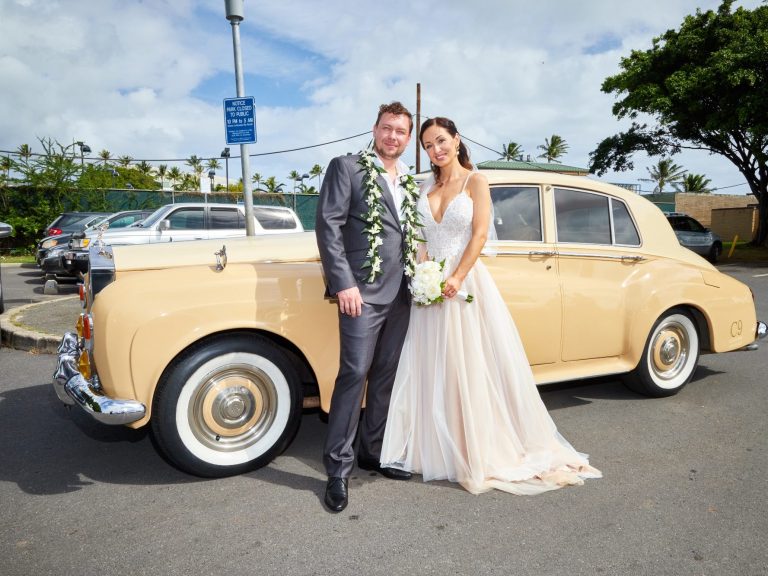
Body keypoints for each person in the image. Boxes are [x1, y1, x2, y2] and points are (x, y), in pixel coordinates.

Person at [380, 117, 602, 495]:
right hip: (430, 283)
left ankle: (476, 450)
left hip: (464, 283)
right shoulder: (427, 186)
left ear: (456, 140)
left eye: (441, 140)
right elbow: (419, 238)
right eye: (429, 145)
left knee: (468, 364)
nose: (436, 149)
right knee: (434, 365)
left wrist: (456, 277)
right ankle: (436, 447)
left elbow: (480, 233)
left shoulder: (475, 181)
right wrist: (422, 276)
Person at [315, 101, 416, 513]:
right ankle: (338, 469)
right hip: (362, 293)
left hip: (403, 295)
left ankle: (372, 453)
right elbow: (329, 225)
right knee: (354, 373)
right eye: (388, 128)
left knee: (386, 375)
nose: (394, 136)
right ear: (375, 129)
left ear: (408, 140)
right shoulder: (348, 167)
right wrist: (344, 284)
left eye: (401, 132)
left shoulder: (410, 179)